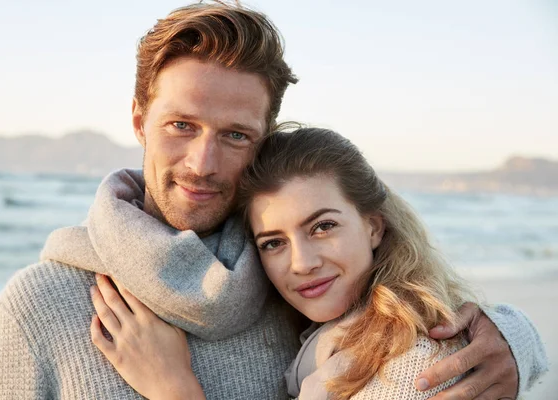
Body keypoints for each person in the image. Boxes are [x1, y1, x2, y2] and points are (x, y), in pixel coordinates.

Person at [0, 2, 546, 399]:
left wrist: (511, 339)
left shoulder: (294, 289)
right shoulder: (39, 305)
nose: (202, 163)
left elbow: (403, 313)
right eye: (180, 125)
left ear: (264, 141)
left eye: (235, 135)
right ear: (138, 121)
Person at [85, 127, 548, 399]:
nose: (301, 263)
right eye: (272, 243)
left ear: (373, 226)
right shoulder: (332, 339)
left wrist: (174, 388)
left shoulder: (414, 364)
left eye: (322, 227)